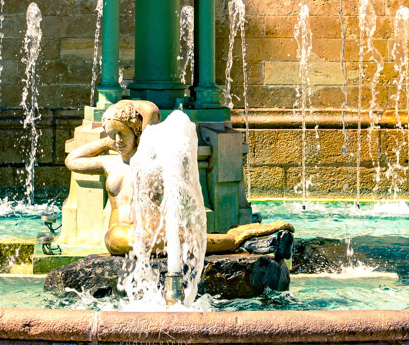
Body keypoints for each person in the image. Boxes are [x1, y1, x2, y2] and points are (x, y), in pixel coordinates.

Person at [65, 98, 290, 256]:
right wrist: (106, 141)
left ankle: (247, 240)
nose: (118, 141)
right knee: (119, 238)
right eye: (112, 135)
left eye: (122, 134)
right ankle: (237, 239)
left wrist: (131, 108)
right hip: (121, 234)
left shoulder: (147, 161)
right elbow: (72, 160)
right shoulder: (109, 162)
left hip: (151, 231)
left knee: (179, 240)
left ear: (136, 132)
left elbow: (151, 112)